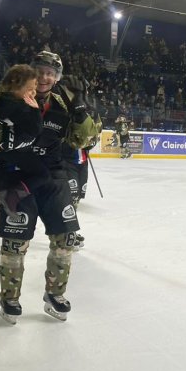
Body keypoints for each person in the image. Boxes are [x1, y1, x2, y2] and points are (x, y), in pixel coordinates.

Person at [0, 51, 98, 325]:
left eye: (51, 73)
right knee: (16, 242)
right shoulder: (5, 96)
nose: (44, 77)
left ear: (57, 78)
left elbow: (85, 140)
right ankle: (10, 297)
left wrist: (80, 109)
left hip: (53, 177)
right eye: (40, 71)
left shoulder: (64, 102)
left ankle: (54, 294)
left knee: (65, 239)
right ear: (30, 71)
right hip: (15, 177)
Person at [57, 75, 103, 251]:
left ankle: (68, 230)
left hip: (81, 162)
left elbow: (95, 135)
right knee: (70, 196)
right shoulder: (60, 107)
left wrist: (90, 142)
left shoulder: (91, 110)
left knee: (75, 198)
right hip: (64, 160)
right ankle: (67, 232)